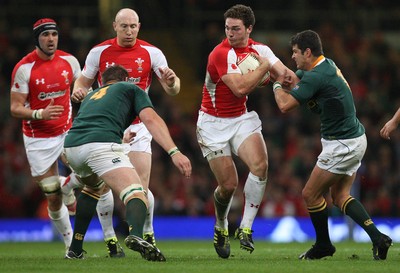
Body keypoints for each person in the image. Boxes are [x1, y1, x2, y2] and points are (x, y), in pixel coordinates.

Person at [271, 29, 392, 260]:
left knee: (310, 194)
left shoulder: (317, 77)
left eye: (295, 52)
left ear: (307, 52)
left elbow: (285, 106)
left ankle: (324, 245)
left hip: (342, 144)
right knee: (340, 196)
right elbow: (296, 77)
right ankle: (378, 238)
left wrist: (276, 85)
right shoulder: (326, 65)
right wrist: (280, 74)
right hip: (354, 139)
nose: (293, 56)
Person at [10, 18, 124, 258]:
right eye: (45, 35)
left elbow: (85, 89)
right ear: (37, 39)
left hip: (67, 132)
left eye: (54, 34)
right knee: (52, 195)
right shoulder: (24, 68)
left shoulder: (70, 61)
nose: (51, 39)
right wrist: (40, 113)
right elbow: (15, 107)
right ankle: (70, 244)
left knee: (95, 179)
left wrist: (82, 93)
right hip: (38, 138)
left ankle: (107, 239)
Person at [71, 8, 180, 247]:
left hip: (139, 127)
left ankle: (146, 232)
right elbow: (82, 81)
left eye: (132, 26)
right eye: (124, 27)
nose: (129, 31)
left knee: (140, 187)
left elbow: (173, 89)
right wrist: (78, 90)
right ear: (115, 26)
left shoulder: (153, 53)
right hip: (107, 127)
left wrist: (172, 82)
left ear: (139, 26)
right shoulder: (98, 52)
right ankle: (110, 237)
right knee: (100, 187)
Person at [195, 4, 297, 259]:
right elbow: (240, 88)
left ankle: (246, 228)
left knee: (260, 166)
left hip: (241, 118)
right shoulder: (220, 53)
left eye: (236, 28)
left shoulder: (260, 49)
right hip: (212, 123)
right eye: (227, 28)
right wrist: (264, 70)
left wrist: (286, 78)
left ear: (249, 29)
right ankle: (221, 225)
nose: (230, 33)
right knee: (228, 185)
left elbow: (287, 76)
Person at [63, 65, 191, 261]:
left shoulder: (92, 95)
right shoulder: (130, 88)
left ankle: (75, 249)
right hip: (100, 146)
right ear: (126, 79)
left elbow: (97, 122)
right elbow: (151, 119)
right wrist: (174, 152)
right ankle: (137, 236)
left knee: (92, 188)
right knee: (136, 191)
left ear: (103, 83)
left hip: (72, 147)